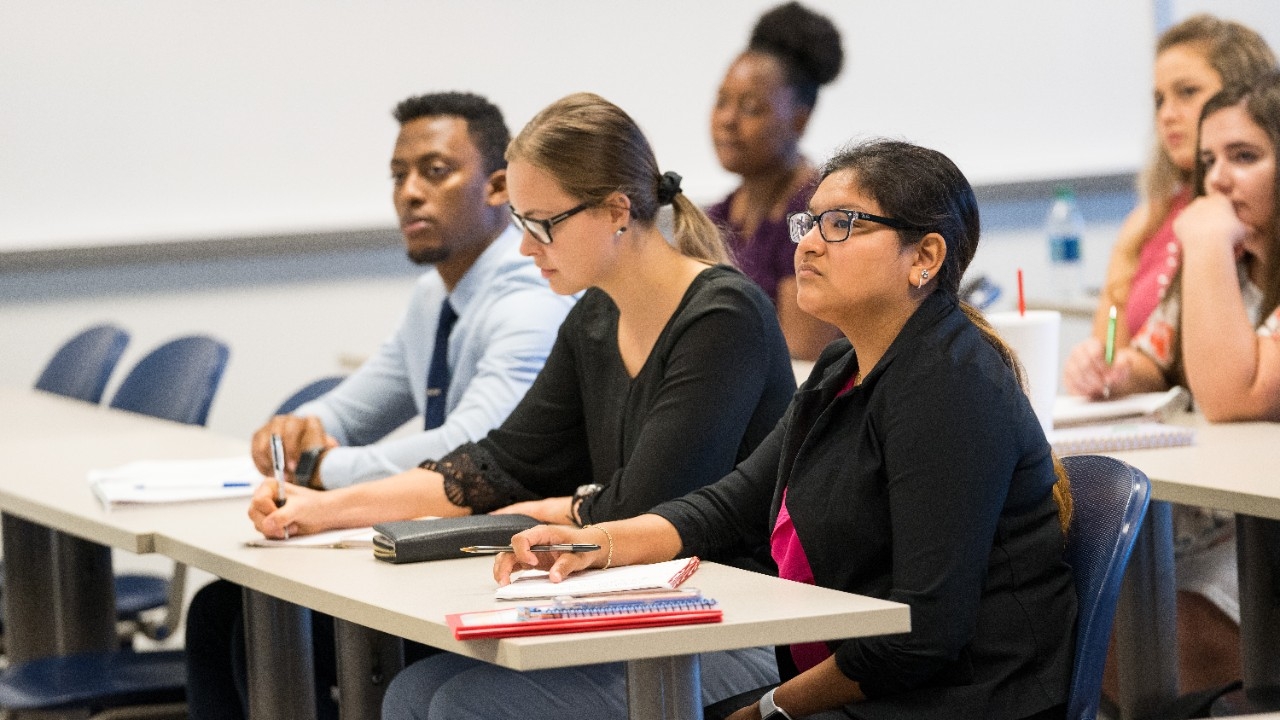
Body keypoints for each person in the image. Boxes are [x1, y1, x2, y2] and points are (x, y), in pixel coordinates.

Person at [386, 139, 1078, 720]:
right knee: (417, 692)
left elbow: (923, 635)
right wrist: (594, 544)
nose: (807, 245)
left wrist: (769, 707)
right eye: (809, 224)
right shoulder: (845, 364)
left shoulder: (950, 386)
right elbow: (733, 503)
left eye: (842, 225)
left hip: (953, 701)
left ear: (924, 257)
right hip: (859, 681)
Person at [250, 92, 796, 543]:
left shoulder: (723, 318)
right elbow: (498, 463)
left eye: (542, 224)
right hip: (629, 601)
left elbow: (645, 508)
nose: (524, 248)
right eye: (521, 222)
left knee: (436, 682)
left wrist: (554, 509)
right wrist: (323, 509)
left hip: (726, 617)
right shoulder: (595, 315)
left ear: (616, 210)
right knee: (429, 680)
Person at [185, 91, 574, 720]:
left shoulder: (531, 296)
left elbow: (474, 444)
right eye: (398, 176)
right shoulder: (434, 295)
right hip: (433, 535)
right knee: (224, 610)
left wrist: (322, 472)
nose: (409, 193)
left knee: (247, 619)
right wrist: (304, 429)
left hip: (500, 551)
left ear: (499, 186)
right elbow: (356, 406)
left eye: (435, 170)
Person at [1066, 72, 1280, 697]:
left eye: (1245, 157)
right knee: (1066, 618)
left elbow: (1234, 395)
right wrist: (1109, 372)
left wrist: (1206, 239)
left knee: (1127, 647)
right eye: (1210, 160)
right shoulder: (1225, 271)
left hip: (1260, 543)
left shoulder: (1210, 248)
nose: (1217, 179)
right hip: (1214, 530)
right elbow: (1152, 357)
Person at [1068, 15, 1274, 357]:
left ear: (1245, 94)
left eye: (1187, 92)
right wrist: (1099, 367)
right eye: (1160, 99)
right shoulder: (1148, 219)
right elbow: (1110, 352)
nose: (1167, 114)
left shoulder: (1256, 218)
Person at [707, 1, 844, 360]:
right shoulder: (717, 217)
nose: (727, 120)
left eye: (751, 108)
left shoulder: (816, 218)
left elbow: (802, 361)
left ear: (799, 120)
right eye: (722, 102)